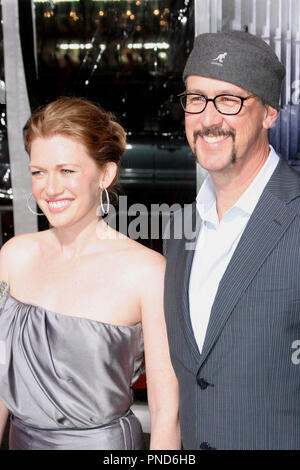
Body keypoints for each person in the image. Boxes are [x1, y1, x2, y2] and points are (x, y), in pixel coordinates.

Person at [0, 97, 180, 450]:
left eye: (66, 170)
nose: (50, 188)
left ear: (106, 174)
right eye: (39, 172)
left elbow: (165, 413)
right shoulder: (14, 256)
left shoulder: (146, 273)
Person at [163, 30, 300, 450]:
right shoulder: (179, 227)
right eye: (197, 99)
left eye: (229, 100)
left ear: (269, 113)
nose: (208, 118)